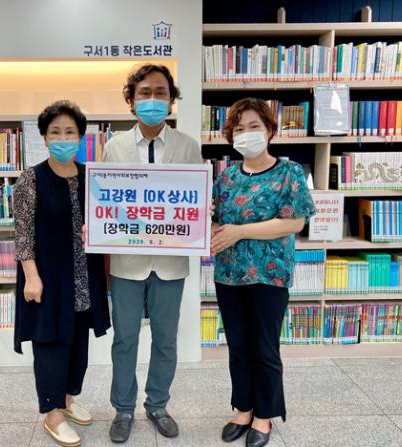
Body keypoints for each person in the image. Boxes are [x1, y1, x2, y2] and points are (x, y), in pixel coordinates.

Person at [101, 64, 202, 443]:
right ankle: (123, 408)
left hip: (171, 263)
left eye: (161, 92)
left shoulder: (188, 146)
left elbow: (194, 201)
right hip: (127, 263)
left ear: (172, 100)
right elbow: (106, 201)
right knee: (124, 339)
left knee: (166, 339)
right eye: (145, 93)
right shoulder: (114, 147)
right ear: (131, 101)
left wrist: (201, 211)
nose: (153, 100)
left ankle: (157, 404)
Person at [210, 98, 316, 447]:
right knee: (238, 346)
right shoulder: (226, 178)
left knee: (265, 347)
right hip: (229, 275)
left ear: (270, 129)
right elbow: (216, 222)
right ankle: (242, 408)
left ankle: (264, 415)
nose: (246, 134)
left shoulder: (289, 172)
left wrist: (240, 232)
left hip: (269, 275)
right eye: (238, 129)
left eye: (254, 126)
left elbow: (294, 222)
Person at [13, 100, 111, 447]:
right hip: (48, 278)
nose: (63, 138)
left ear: (81, 137)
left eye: (70, 132)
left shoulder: (92, 177)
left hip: (84, 278)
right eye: (55, 132)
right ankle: (52, 414)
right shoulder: (31, 179)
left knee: (77, 344)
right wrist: (31, 276)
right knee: (50, 345)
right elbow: (23, 234)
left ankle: (68, 399)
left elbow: (107, 223)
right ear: (44, 137)